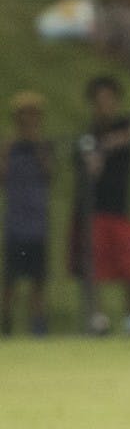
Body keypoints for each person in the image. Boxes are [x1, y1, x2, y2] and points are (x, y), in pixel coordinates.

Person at [71, 76, 130, 335]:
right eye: (100, 100)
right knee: (95, 270)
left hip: (120, 210)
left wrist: (102, 150)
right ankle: (98, 320)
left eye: (109, 99)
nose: (105, 105)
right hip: (95, 211)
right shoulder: (87, 135)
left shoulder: (125, 125)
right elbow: (83, 169)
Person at [1, 90, 52, 336]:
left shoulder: (44, 146)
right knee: (10, 279)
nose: (28, 119)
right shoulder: (10, 147)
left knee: (37, 280)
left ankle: (38, 327)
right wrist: (6, 152)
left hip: (38, 224)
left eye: (33, 114)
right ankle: (6, 324)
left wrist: (37, 145)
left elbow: (49, 174)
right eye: (24, 114)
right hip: (15, 224)